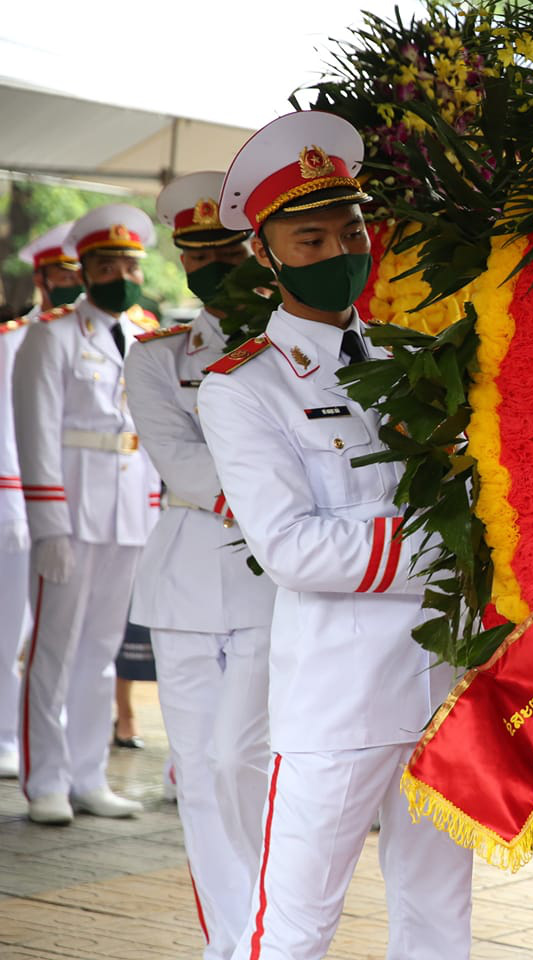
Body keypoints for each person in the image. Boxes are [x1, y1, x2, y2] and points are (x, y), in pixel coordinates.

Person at [197, 110, 473, 958]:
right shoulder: (245, 386)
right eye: (310, 240)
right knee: (296, 923)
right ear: (269, 255)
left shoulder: (411, 356)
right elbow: (291, 548)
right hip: (340, 695)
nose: (338, 253)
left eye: (350, 231)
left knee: (437, 913)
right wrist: (447, 541)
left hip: (438, 683)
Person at [125, 170, 276, 960]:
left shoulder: (289, 346)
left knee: (240, 760)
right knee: (196, 771)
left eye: (229, 248)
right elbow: (178, 462)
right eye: (199, 253)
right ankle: (232, 942)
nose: (215, 265)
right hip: (185, 579)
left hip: (270, 582)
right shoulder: (156, 356)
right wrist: (268, 490)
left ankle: (267, 927)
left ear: (257, 248)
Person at [12, 204, 162, 825]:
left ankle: (87, 775)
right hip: (70, 515)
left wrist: (153, 512)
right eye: (107, 263)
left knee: (100, 649)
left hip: (126, 515)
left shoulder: (146, 336)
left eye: (129, 264)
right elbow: (37, 432)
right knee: (53, 648)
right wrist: (47, 523)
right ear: (85, 268)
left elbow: (151, 433)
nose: (120, 274)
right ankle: (44, 780)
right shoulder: (52, 335)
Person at [0, 222, 81, 779]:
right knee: (9, 626)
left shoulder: (101, 337)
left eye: (82, 274)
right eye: (64, 275)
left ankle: (60, 745)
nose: (74, 284)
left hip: (70, 509)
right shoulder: (13, 339)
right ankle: (6, 733)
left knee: (59, 634)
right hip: (10, 499)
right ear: (42, 277)